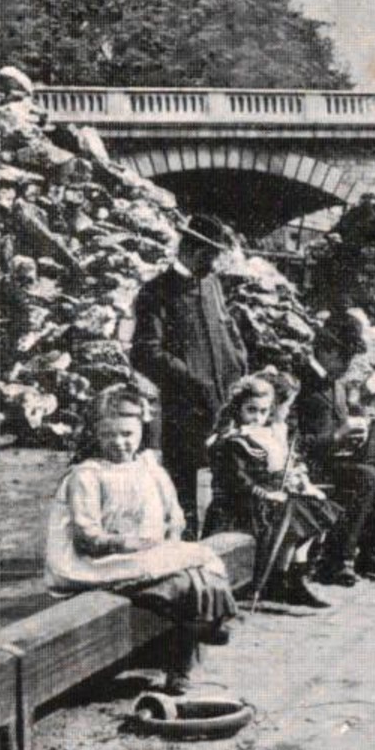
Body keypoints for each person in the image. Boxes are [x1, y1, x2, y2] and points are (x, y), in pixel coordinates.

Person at [45, 386, 237, 695]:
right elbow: (87, 536)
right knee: (179, 583)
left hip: (145, 552)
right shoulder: (87, 475)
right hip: (98, 561)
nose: (120, 443)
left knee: (197, 567)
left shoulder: (149, 467)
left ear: (141, 432)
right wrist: (128, 543)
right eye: (110, 435)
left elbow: (174, 515)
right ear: (95, 434)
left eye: (127, 434)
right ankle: (192, 641)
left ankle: (201, 634)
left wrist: (169, 538)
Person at [131, 214, 249, 540]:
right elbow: (144, 352)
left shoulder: (212, 286)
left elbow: (229, 331)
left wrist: (239, 364)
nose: (214, 266)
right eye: (211, 257)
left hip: (223, 407)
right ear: (193, 250)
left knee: (227, 489)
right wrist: (192, 379)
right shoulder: (155, 293)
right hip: (184, 413)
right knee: (183, 494)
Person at [297, 320, 375, 586]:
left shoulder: (335, 382)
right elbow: (292, 440)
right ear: (326, 351)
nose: (349, 364)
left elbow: (340, 422)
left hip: (338, 457)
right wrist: (336, 437)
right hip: (310, 466)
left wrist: (361, 430)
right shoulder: (299, 381)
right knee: (366, 476)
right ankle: (336, 561)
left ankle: (373, 555)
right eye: (346, 356)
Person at [208, 372, 338, 608]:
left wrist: (297, 482)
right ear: (238, 408)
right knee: (294, 513)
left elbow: (278, 467)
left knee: (312, 508)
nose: (257, 417)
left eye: (263, 411)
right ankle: (283, 580)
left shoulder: (265, 434)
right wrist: (267, 494)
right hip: (242, 505)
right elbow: (239, 482)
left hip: (270, 499)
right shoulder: (232, 441)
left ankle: (291, 576)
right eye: (251, 410)